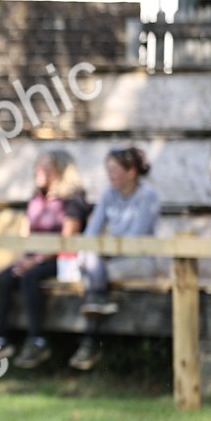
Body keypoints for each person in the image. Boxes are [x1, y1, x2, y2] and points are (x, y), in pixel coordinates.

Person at [0, 150, 89, 369]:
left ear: (61, 171)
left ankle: (37, 341)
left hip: (63, 259)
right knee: (4, 277)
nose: (39, 172)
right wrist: (22, 259)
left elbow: (67, 239)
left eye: (46, 168)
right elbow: (25, 234)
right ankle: (1, 340)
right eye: (38, 166)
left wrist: (35, 261)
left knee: (30, 277)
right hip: (34, 257)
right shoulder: (36, 198)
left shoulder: (72, 200)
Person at [69, 146, 160, 371]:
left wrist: (102, 252)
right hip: (108, 261)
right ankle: (95, 323)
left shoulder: (148, 196)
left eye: (114, 169)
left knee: (93, 272)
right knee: (91, 265)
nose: (110, 174)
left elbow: (135, 239)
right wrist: (92, 251)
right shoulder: (108, 194)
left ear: (131, 172)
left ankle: (90, 341)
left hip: (139, 261)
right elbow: (92, 232)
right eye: (107, 169)